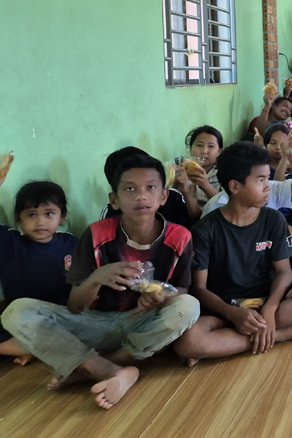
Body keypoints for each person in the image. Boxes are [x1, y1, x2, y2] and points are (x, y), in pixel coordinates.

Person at [2, 154, 200, 409]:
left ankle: (104, 365)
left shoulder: (180, 237)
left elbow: (181, 291)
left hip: (141, 323)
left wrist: (159, 299)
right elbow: (75, 305)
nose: (141, 196)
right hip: (94, 323)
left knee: (189, 305)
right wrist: (96, 278)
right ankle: (108, 369)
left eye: (150, 187)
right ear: (114, 199)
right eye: (130, 189)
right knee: (16, 311)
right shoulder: (96, 234)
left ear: (163, 196)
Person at [172, 143, 292, 365]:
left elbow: (284, 272)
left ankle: (237, 339)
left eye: (267, 179)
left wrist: (270, 307)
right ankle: (285, 333)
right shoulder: (205, 229)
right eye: (260, 180)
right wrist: (233, 314)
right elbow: (199, 288)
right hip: (225, 307)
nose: (268, 187)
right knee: (187, 342)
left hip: (265, 298)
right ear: (235, 186)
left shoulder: (273, 219)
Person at [0, 181, 79, 365]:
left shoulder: (71, 244)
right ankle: (36, 348)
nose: (40, 222)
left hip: (61, 317)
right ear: (18, 219)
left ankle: (33, 348)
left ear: (62, 216)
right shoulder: (11, 244)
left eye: (49, 214)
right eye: (31, 215)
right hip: (20, 321)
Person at [183, 125, 223, 208]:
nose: (204, 151)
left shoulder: (225, 172)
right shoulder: (182, 170)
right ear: (190, 148)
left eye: (211, 146)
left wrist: (206, 186)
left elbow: (226, 203)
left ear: (219, 151)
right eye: (199, 145)